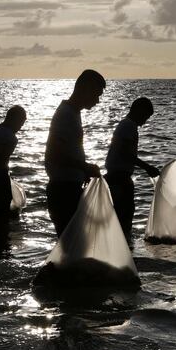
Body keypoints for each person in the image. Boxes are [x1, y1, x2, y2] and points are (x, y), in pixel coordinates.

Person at [44, 69, 106, 237]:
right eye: (97, 94)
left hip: (69, 187)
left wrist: (82, 170)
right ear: (85, 89)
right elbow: (56, 155)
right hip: (63, 191)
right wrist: (85, 167)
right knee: (71, 247)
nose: (98, 101)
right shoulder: (66, 115)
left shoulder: (72, 113)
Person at [104, 97, 160, 237]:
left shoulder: (126, 125)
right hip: (119, 179)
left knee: (120, 216)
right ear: (139, 111)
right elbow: (125, 153)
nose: (145, 121)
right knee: (123, 217)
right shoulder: (128, 126)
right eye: (145, 116)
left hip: (117, 177)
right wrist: (147, 167)